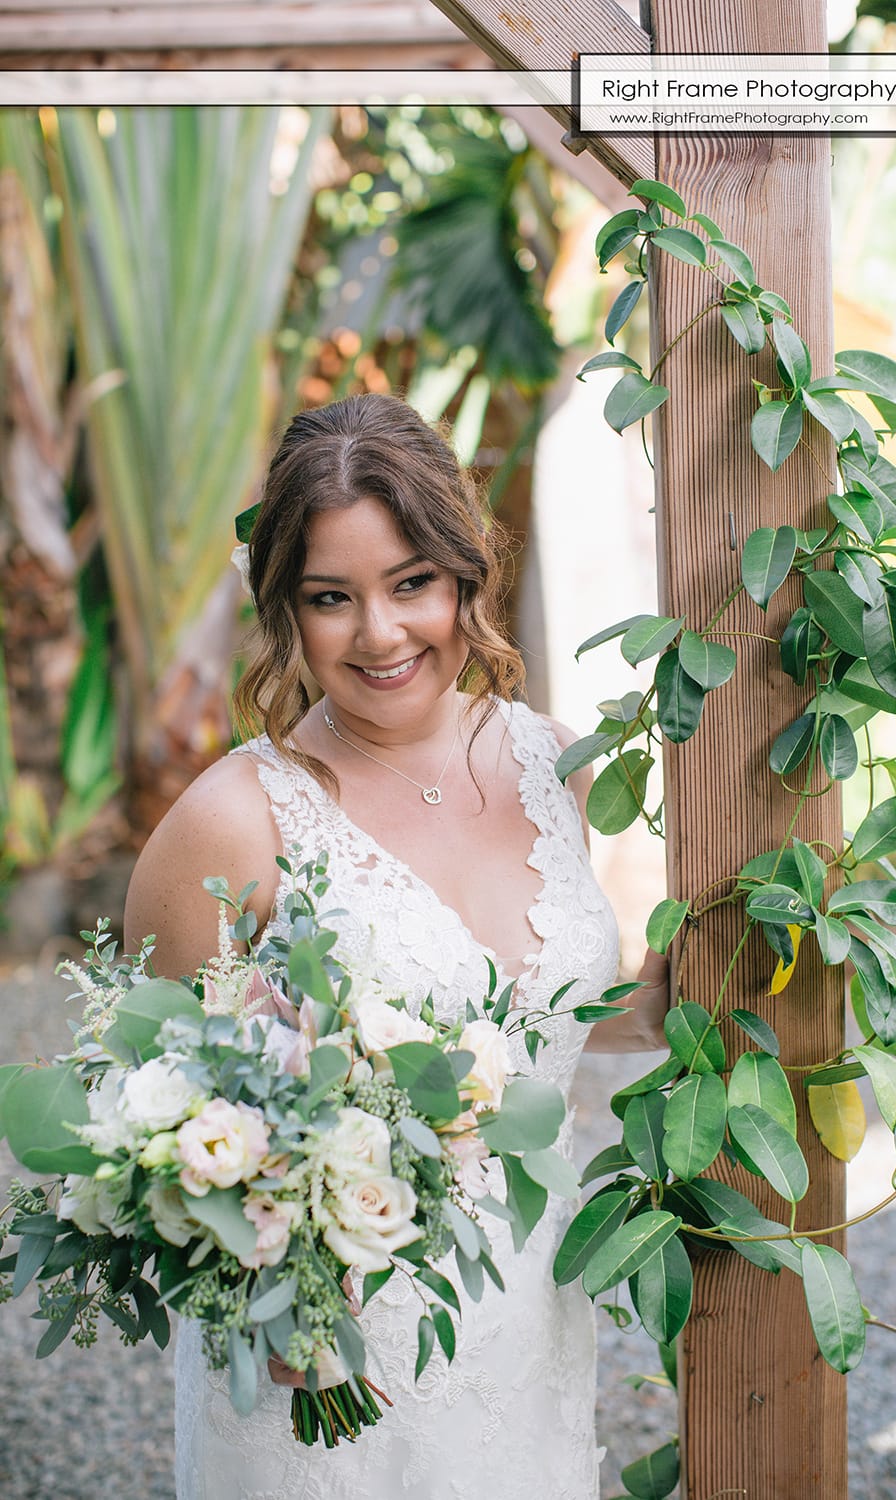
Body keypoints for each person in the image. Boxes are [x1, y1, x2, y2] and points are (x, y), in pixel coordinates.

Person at [125, 393, 668, 1500]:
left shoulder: (554, 763)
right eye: (332, 598)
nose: (378, 633)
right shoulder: (235, 819)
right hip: (321, 1363)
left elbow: (554, 1017)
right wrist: (264, 1273)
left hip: (526, 1322)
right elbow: (151, 1117)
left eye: (410, 582)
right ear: (288, 609)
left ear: (466, 572)